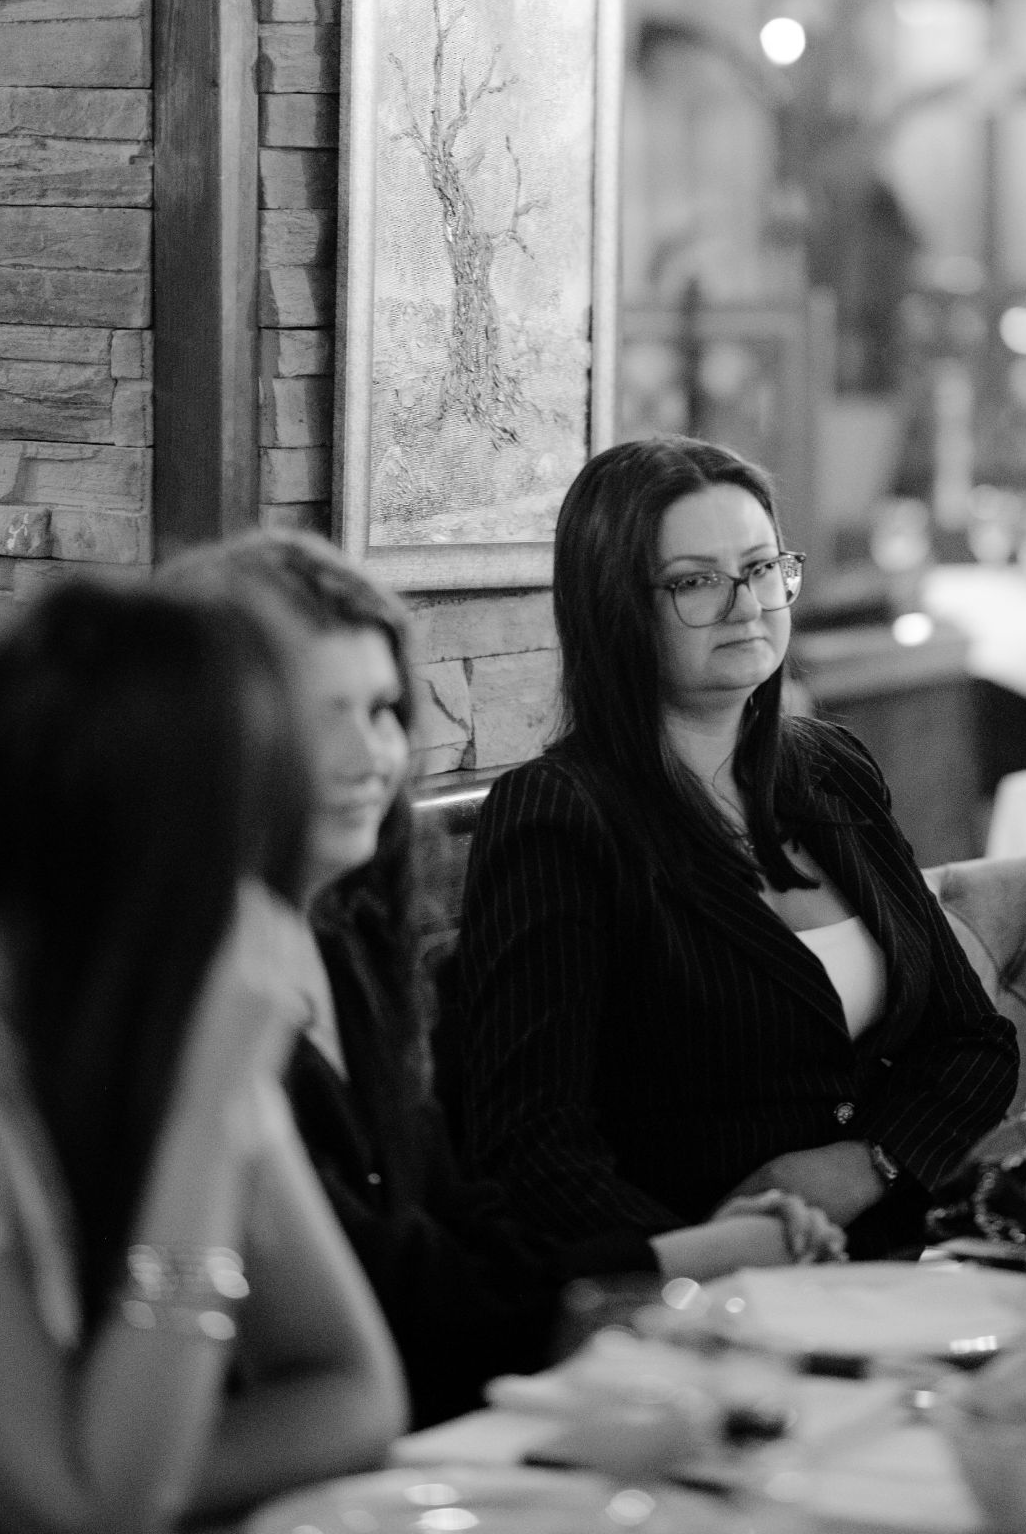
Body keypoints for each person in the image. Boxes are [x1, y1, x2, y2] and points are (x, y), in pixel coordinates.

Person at [172, 530, 844, 1429]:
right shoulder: (195, 992)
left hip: (440, 1406)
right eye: (323, 715)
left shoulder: (341, 937)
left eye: (381, 710)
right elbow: (407, 1295)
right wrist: (693, 1257)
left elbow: (462, 1226)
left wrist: (695, 1250)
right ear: (217, 733)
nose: (372, 755)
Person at [447, 436, 1021, 1262]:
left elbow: (972, 1041)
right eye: (694, 582)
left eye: (759, 568)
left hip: (895, 1257)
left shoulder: (829, 769)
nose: (746, 605)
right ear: (616, 606)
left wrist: (867, 1163)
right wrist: (710, 1254)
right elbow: (531, 1147)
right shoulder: (558, 816)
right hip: (687, 1285)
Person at [0, 577, 405, 1534]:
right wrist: (207, 1114)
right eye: (252, 838)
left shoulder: (159, 1012)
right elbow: (92, 1528)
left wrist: (129, 1471)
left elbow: (355, 1391)